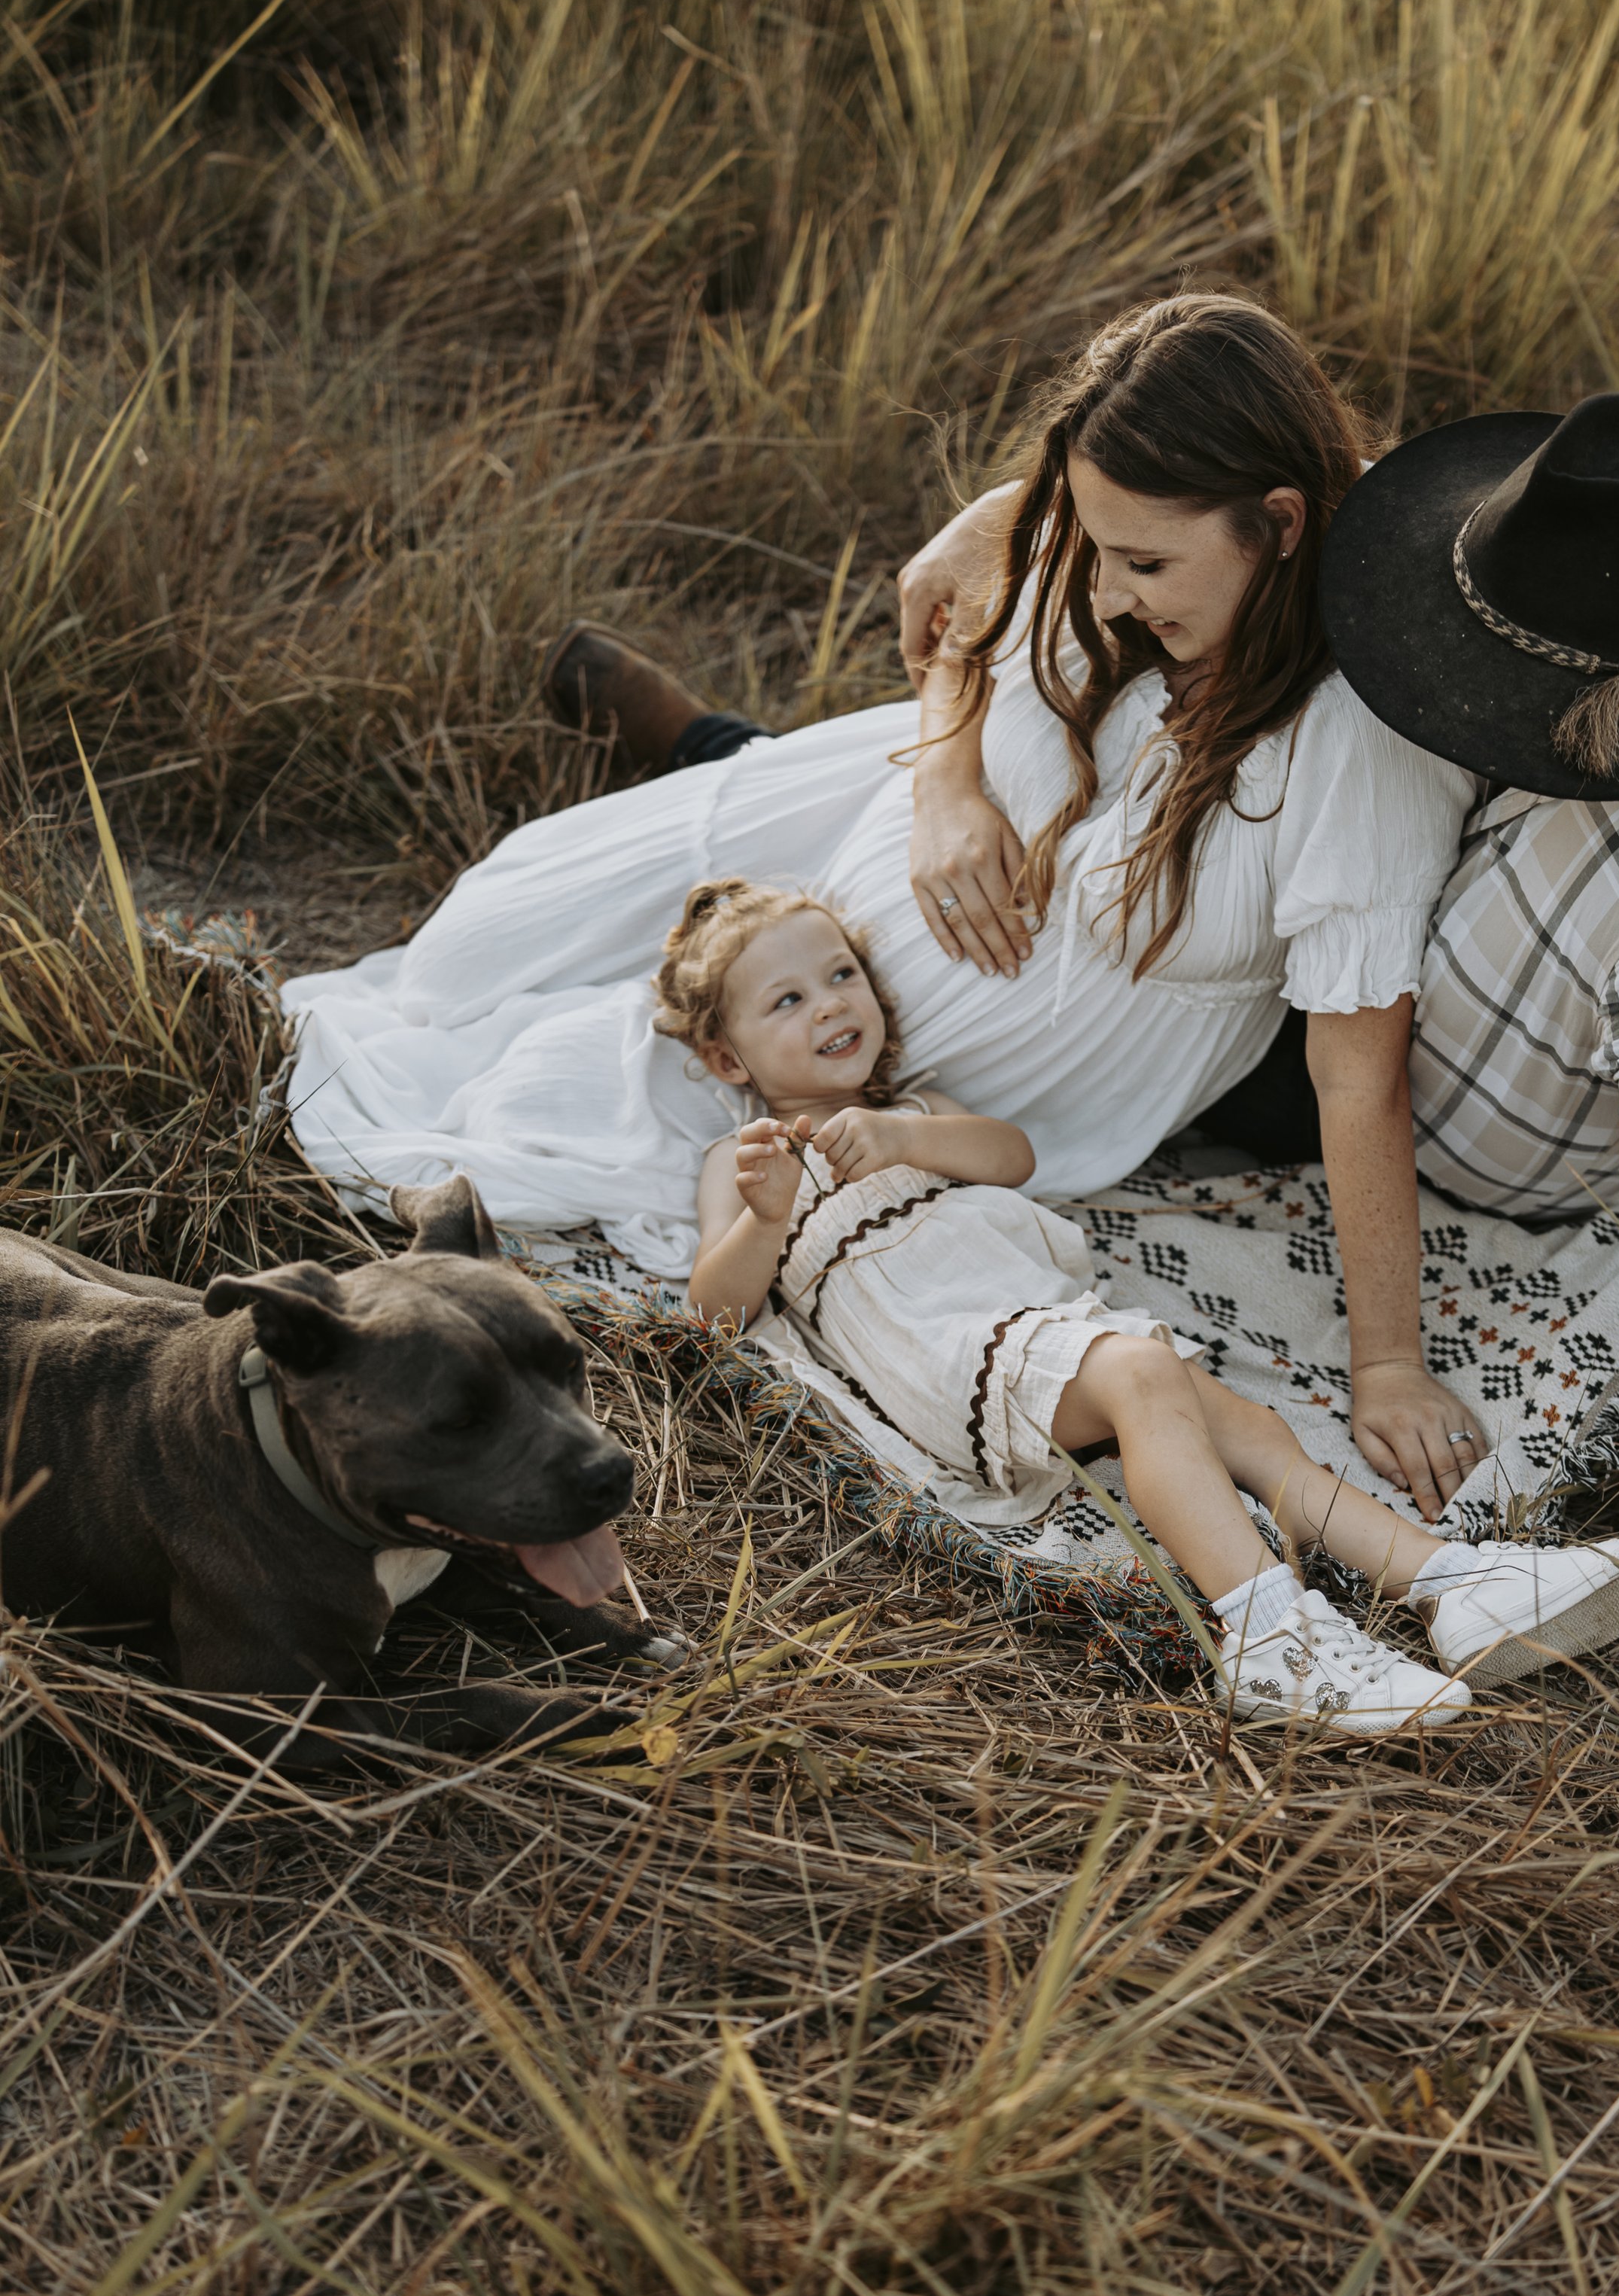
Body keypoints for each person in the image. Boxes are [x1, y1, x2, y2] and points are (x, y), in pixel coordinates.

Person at [286, 296, 1490, 1517]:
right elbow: (969, 639)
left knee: (489, 1097)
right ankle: (703, 749)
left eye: (1145, 565)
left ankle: (684, 732)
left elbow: (1356, 1071)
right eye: (1099, 548)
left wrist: (1390, 1363)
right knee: (471, 946)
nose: (1113, 594)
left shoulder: (1356, 743)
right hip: (852, 841)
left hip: (920, 1078)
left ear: (1282, 526)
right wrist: (953, 780)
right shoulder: (1136, 517)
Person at [902, 389, 1619, 1710]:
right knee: (1067, 800)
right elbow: (1246, 471)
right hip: (1343, 952)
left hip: (1420, 1105)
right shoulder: (1572, 573)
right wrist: (999, 527)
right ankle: (716, 755)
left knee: (1127, 938)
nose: (1431, 663)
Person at [659, 875, 1619, 1734]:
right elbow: (716, 1311)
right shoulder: (747, 1163)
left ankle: (1451, 1582)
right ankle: (1268, 1632)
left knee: (1244, 1424)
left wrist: (901, 1137)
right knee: (1150, 1375)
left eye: (840, 974)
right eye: (785, 1001)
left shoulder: (912, 1111)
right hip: (954, 1355)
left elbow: (1009, 1156)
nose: (829, 1003)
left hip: (1050, 1323)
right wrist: (765, 1219)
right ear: (727, 1060)